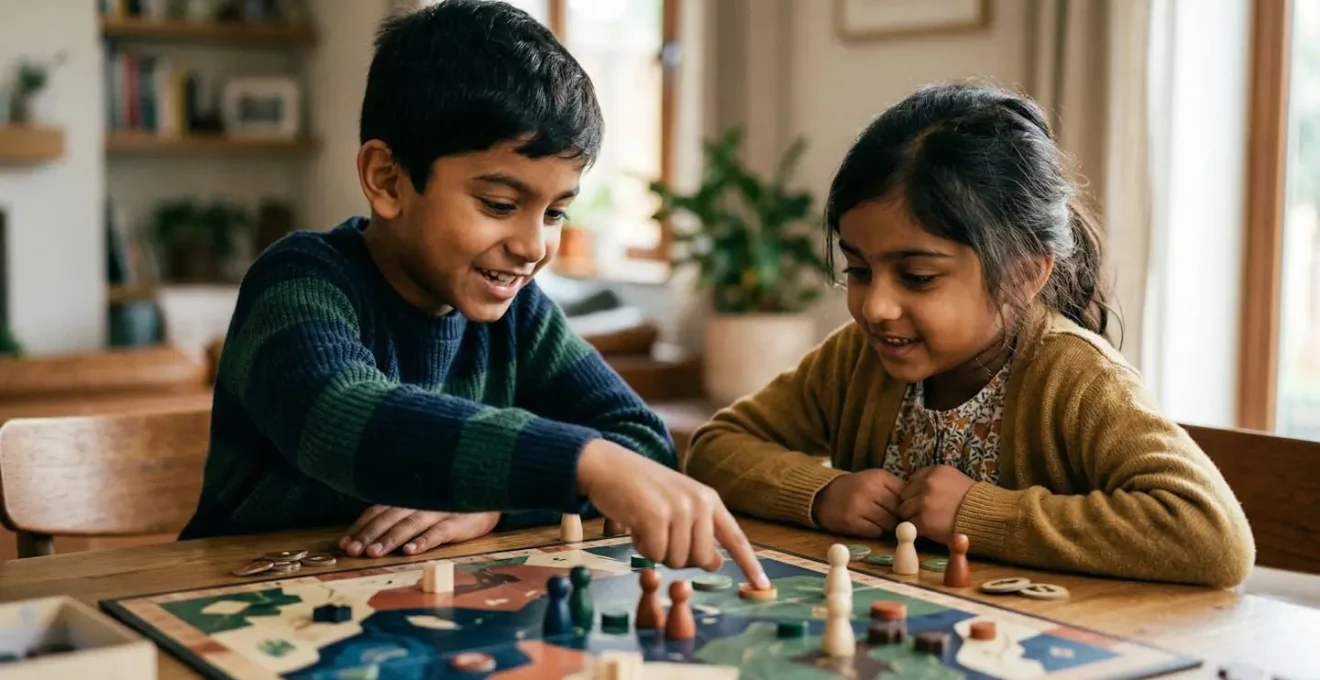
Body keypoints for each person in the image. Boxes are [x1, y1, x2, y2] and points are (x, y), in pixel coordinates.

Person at [179, 0, 768, 590]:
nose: (533, 245)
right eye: (500, 205)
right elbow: (335, 416)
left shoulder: (521, 316)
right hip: (239, 597)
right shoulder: (299, 280)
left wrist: (492, 505)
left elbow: (642, 444)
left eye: (557, 212)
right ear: (388, 179)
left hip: (413, 605)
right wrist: (580, 462)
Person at [684, 82, 1254, 588]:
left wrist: (979, 514)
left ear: (1027, 272)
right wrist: (822, 493)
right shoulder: (857, 360)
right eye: (859, 271)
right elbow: (716, 449)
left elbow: (1211, 535)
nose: (875, 306)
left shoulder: (1076, 379)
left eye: (918, 277)